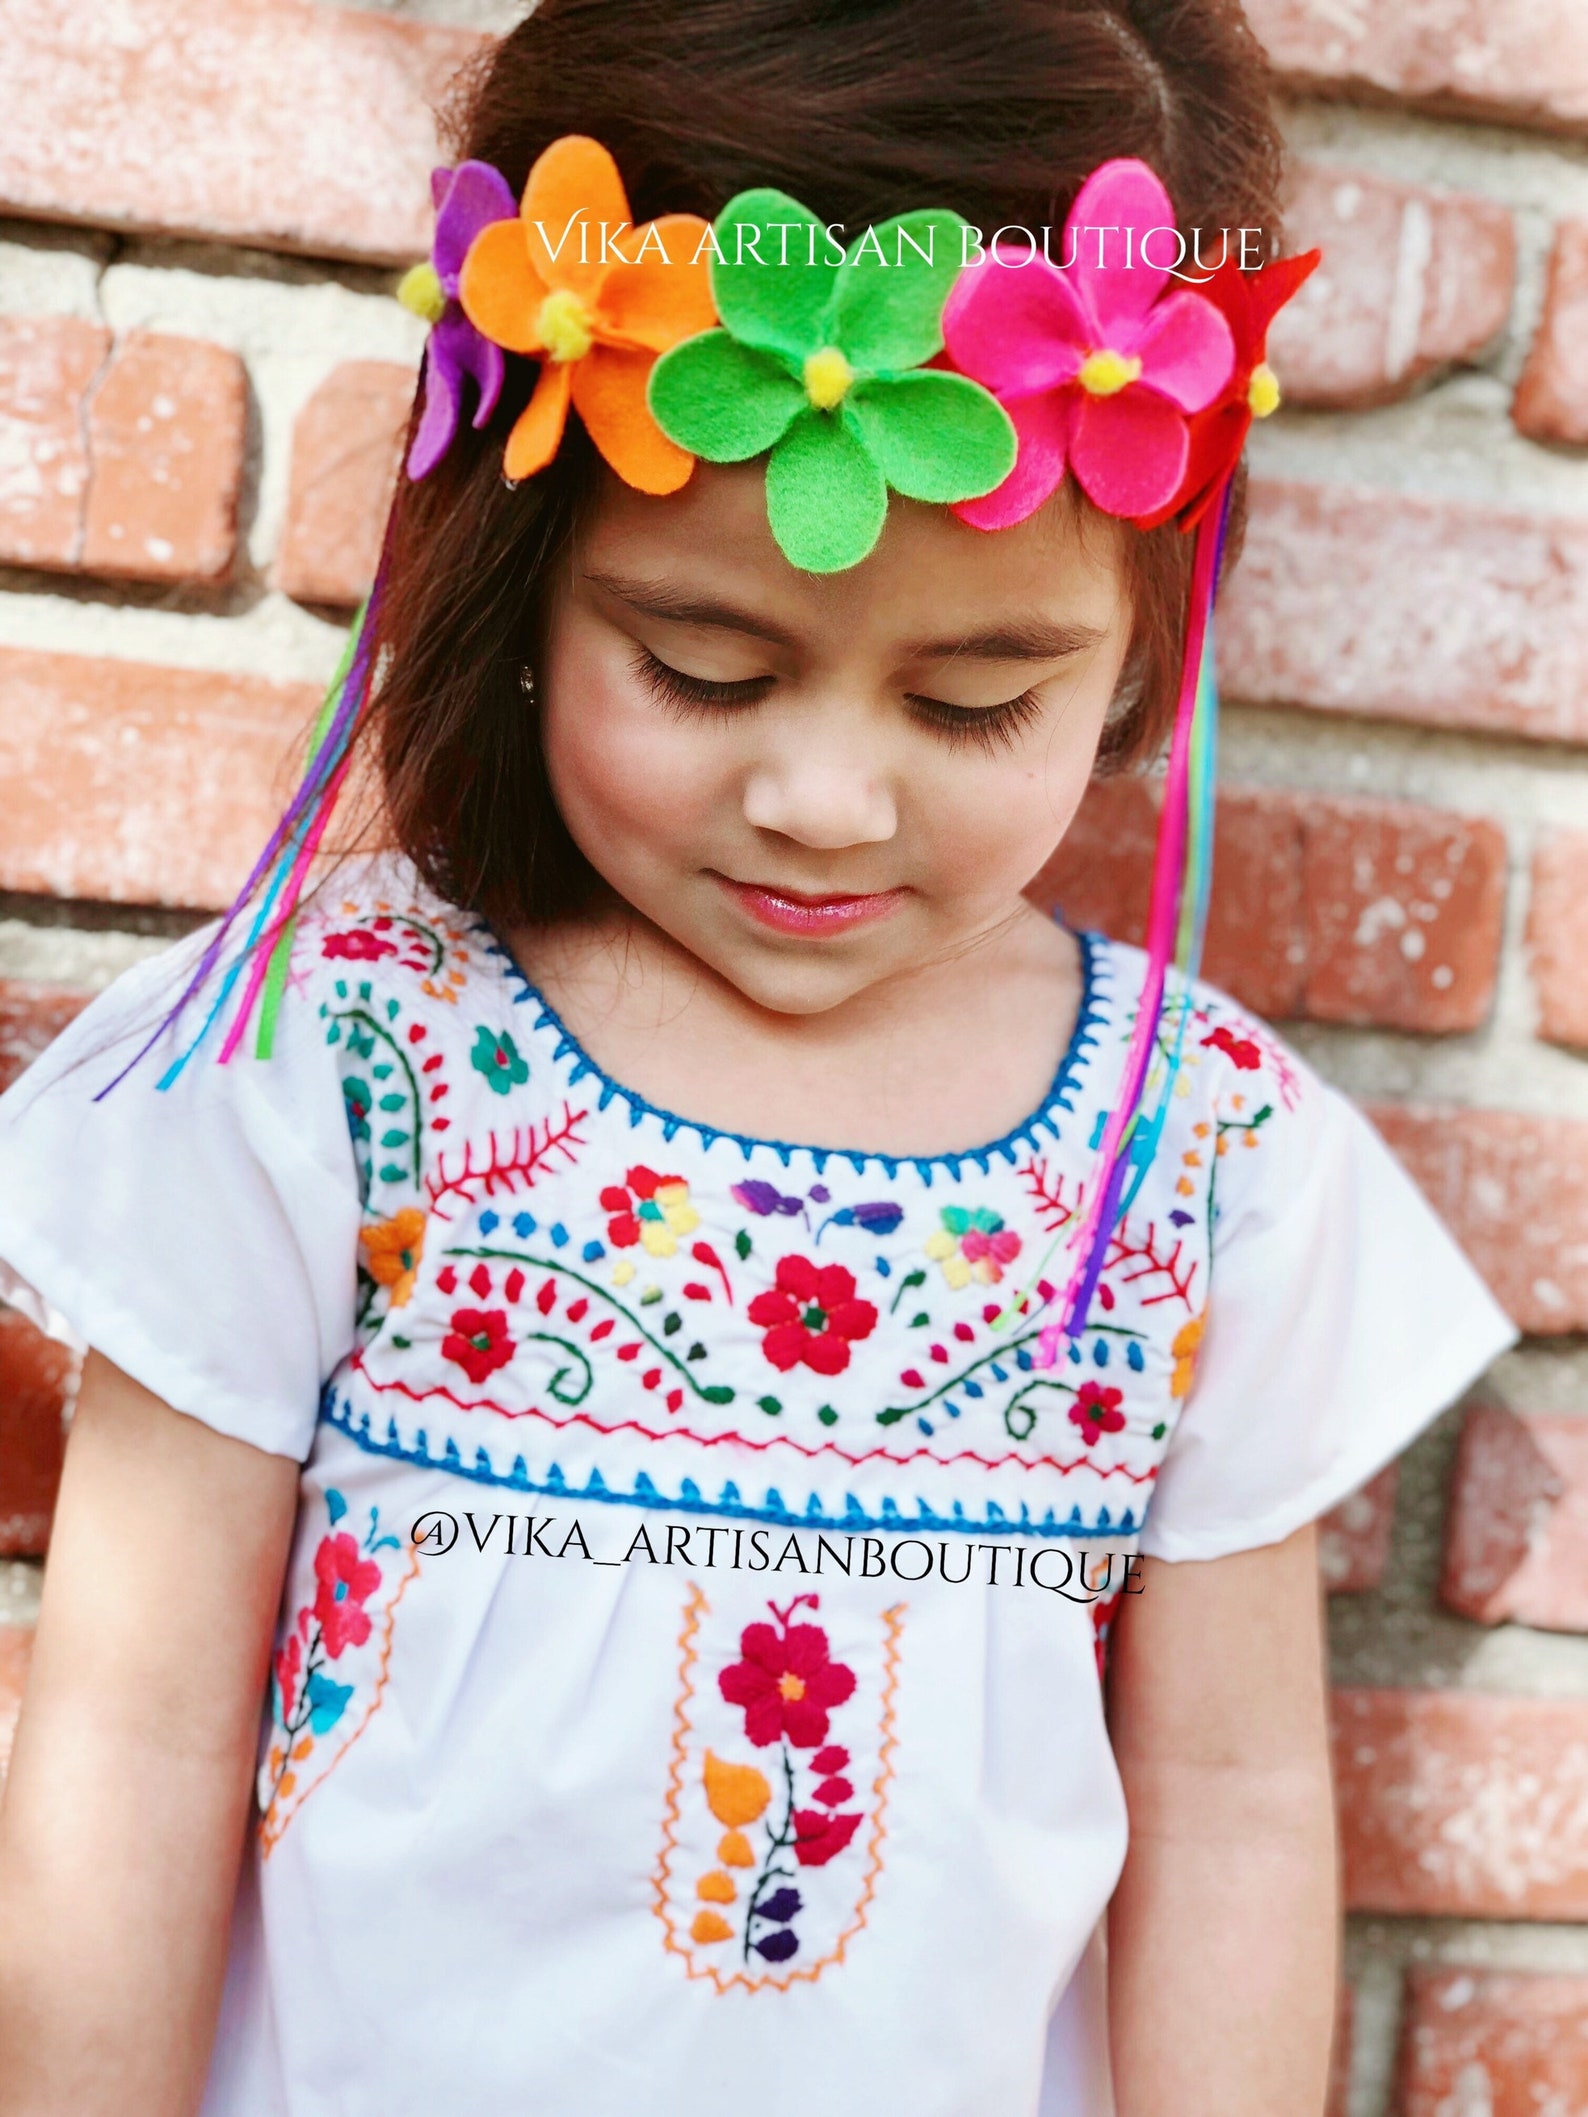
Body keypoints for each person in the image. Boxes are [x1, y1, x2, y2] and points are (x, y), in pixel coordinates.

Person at [0, 3, 1517, 2113]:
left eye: (975, 700)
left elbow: (1239, 1814)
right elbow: (129, 1738)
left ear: (1145, 633)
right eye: (703, 666)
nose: (822, 797)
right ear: (522, 577)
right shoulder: (325, 1067)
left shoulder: (1200, 1170)